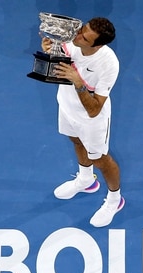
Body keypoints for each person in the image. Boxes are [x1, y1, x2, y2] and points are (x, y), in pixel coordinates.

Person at [41, 17, 123, 227]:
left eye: (84, 37)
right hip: (67, 107)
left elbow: (95, 109)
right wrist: (50, 50)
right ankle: (86, 180)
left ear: (97, 45)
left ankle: (115, 200)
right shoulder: (72, 40)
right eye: (82, 30)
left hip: (91, 119)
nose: (77, 36)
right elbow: (58, 64)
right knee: (76, 141)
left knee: (101, 160)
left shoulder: (109, 65)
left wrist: (77, 81)